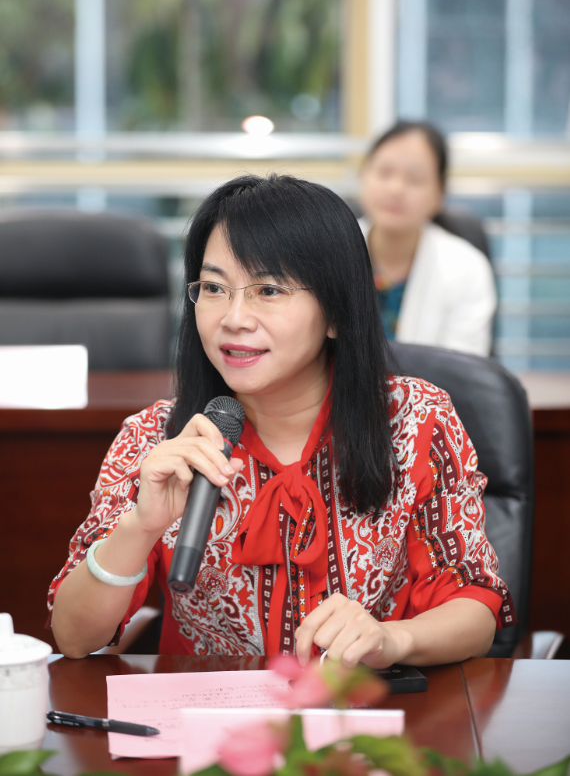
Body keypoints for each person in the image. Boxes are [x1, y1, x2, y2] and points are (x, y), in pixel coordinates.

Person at [48, 174, 514, 667]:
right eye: (214, 288)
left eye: (268, 290)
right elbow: (73, 638)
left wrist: (392, 639)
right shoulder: (155, 437)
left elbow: (475, 605)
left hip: (364, 705)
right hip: (208, 711)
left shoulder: (416, 420)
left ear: (335, 312)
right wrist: (141, 527)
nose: (234, 318)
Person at [359, 120, 497, 355]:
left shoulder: (467, 269)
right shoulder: (326, 251)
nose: (396, 188)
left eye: (415, 179)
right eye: (384, 172)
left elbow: (462, 368)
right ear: (363, 177)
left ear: (439, 194)